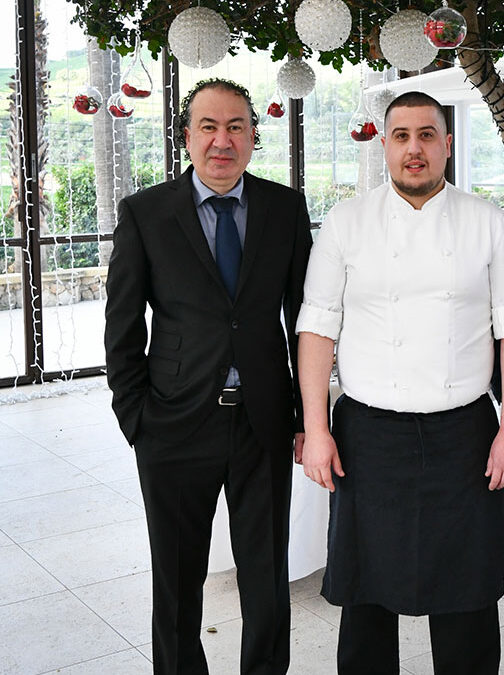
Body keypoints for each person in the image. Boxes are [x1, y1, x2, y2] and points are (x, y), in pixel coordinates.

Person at [296, 91, 504, 674]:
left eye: (427, 135)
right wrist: (317, 430)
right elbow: (317, 329)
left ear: (447, 145)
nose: (414, 149)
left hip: (465, 434)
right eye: (401, 136)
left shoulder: (487, 220)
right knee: (365, 596)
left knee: (468, 593)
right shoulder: (347, 221)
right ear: (384, 145)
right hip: (368, 434)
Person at [104, 78, 312, 674]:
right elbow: (122, 325)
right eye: (209, 127)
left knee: (266, 574)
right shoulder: (146, 213)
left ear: (253, 136)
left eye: (236, 127)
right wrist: (136, 417)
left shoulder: (284, 208)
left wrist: (306, 415)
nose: (223, 141)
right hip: (172, 423)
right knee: (176, 579)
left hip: (262, 422)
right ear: (186, 137)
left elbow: (304, 319)